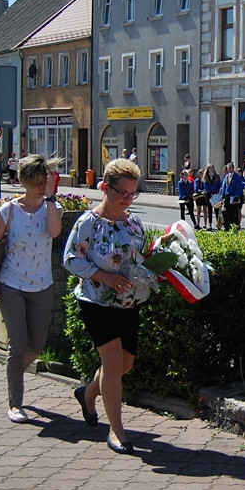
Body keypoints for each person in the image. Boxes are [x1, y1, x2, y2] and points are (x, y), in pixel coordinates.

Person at [62, 159, 147, 455]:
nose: (128, 199)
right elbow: (71, 259)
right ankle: (117, 430)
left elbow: (140, 258)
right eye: (122, 192)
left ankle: (87, 394)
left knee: (125, 365)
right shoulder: (89, 222)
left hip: (129, 302)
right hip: (96, 301)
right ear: (104, 188)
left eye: (133, 193)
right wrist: (104, 277)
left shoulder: (134, 222)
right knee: (112, 364)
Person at [0, 155, 63, 424]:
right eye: (37, 182)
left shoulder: (53, 208)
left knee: (36, 346)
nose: (42, 186)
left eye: (45, 181)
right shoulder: (9, 211)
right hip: (11, 284)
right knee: (18, 345)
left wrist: (50, 199)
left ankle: (13, 371)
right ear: (25, 182)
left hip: (41, 285)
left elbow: (53, 232)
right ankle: (15, 403)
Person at [221, 162, 244, 230]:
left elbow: (239, 188)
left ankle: (234, 227)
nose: (229, 168)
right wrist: (222, 197)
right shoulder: (226, 176)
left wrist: (236, 198)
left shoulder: (237, 177)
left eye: (230, 167)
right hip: (227, 197)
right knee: (226, 213)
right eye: (228, 167)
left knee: (234, 213)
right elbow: (224, 187)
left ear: (233, 168)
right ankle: (227, 227)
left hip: (233, 197)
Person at [200, 164, 220, 231]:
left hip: (215, 194)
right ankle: (210, 225)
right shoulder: (206, 177)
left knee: (217, 210)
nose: (211, 170)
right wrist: (210, 192)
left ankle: (218, 224)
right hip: (209, 195)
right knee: (210, 210)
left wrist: (217, 191)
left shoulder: (216, 176)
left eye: (212, 168)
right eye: (209, 169)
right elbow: (206, 186)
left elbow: (219, 184)